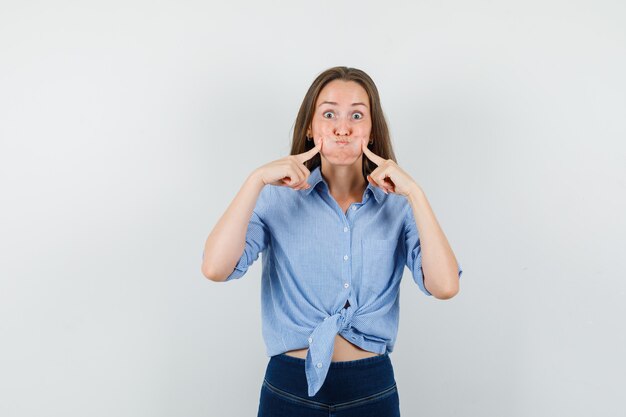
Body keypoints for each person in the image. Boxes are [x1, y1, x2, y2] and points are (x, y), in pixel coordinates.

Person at [201, 66, 463, 416]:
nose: (343, 127)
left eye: (357, 114)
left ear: (371, 130)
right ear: (310, 127)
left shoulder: (398, 205)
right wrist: (255, 181)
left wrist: (415, 193)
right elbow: (215, 268)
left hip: (371, 390)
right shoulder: (276, 197)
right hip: (289, 388)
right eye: (329, 114)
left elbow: (445, 286)